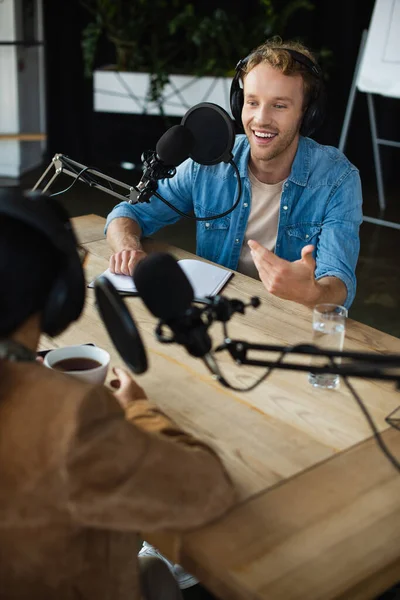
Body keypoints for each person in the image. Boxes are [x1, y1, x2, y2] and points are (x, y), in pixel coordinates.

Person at [0, 192, 236, 600]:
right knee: (163, 575)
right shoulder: (69, 414)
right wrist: (139, 411)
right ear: (61, 298)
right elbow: (205, 491)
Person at [106, 38, 363, 310]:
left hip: (288, 322)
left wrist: (310, 292)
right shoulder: (208, 162)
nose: (261, 119)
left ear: (307, 113)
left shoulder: (338, 179)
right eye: (252, 102)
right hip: (217, 315)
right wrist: (127, 247)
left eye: (279, 105)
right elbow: (128, 214)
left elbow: (339, 286)